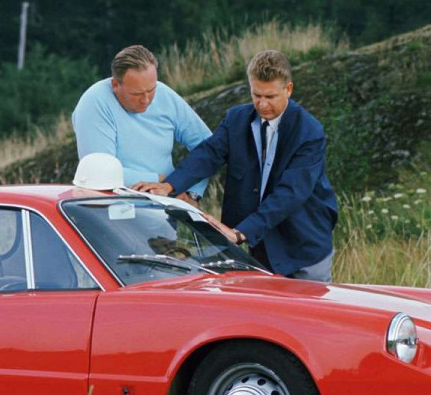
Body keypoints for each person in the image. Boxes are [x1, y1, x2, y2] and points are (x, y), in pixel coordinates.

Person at [134, 49, 338, 281]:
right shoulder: (236, 119)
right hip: (260, 246)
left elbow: (290, 194)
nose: (261, 104)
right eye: (256, 94)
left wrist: (242, 233)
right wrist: (169, 186)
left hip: (304, 243)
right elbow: (209, 154)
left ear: (288, 89)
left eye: (270, 97)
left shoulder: (310, 132)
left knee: (308, 314)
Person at [71, 44, 211, 202]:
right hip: (114, 212)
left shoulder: (165, 95)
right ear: (115, 85)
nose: (146, 100)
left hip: (166, 209)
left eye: (151, 90)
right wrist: (161, 180)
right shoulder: (94, 103)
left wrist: (192, 192)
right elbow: (97, 172)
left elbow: (208, 146)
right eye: (136, 94)